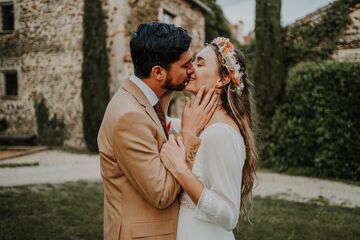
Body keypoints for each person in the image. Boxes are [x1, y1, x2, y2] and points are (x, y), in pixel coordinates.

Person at [97, 22, 218, 240]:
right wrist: (189, 134)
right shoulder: (129, 117)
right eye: (185, 65)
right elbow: (161, 194)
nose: (192, 70)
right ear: (158, 72)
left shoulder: (143, 96)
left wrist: (171, 89)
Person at [161, 37, 257, 240]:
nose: (190, 68)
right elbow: (161, 122)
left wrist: (181, 171)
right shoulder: (201, 126)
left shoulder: (220, 134)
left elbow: (229, 215)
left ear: (222, 79)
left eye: (200, 63)